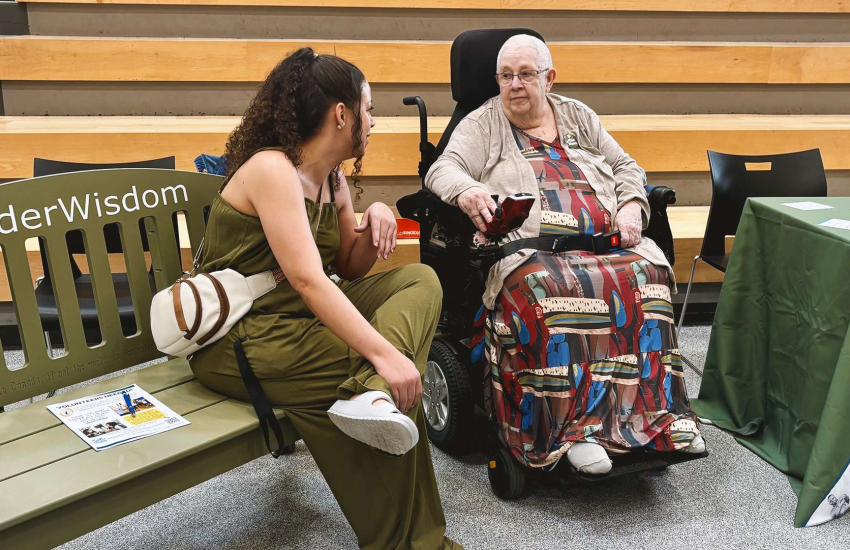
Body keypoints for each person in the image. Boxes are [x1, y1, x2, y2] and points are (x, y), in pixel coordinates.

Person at [189, 48, 460, 550]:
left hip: (300, 328)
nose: (374, 122)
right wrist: (384, 355)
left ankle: (371, 393)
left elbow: (349, 268)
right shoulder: (272, 170)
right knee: (397, 372)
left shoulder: (331, 178)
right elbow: (310, 280)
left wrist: (374, 215)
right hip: (245, 338)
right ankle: (415, 540)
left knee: (420, 279)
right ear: (342, 113)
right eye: (370, 109)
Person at [426, 34, 704, 475]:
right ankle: (572, 433)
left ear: (549, 78)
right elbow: (442, 167)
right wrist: (468, 189)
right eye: (505, 76)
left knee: (648, 276)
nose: (514, 85)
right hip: (534, 253)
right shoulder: (483, 124)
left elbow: (626, 167)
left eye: (526, 74)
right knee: (551, 290)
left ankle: (655, 420)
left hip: (605, 245)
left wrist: (632, 204)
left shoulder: (578, 115)